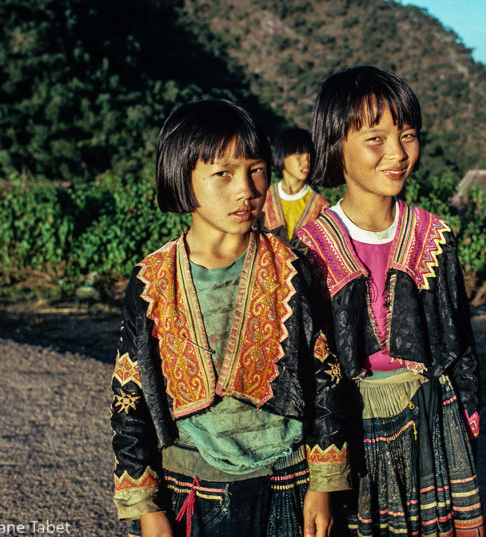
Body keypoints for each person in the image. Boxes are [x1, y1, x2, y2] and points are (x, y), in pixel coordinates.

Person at [110, 99, 350, 537]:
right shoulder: (153, 280)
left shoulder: (291, 269)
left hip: (288, 484)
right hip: (190, 487)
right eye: (223, 173)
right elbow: (131, 396)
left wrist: (324, 482)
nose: (247, 189)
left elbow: (325, 377)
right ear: (183, 179)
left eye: (256, 170)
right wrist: (146, 506)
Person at [293, 66, 486, 536]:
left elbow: (459, 339)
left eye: (407, 135)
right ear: (336, 146)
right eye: (375, 139)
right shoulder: (310, 247)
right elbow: (305, 364)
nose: (397, 153)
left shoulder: (435, 235)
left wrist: (467, 422)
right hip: (348, 424)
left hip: (429, 417)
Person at [259, 127, 329, 241]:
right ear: (283, 156)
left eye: (309, 157)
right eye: (299, 156)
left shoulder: (320, 207)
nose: (306, 162)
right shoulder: (263, 201)